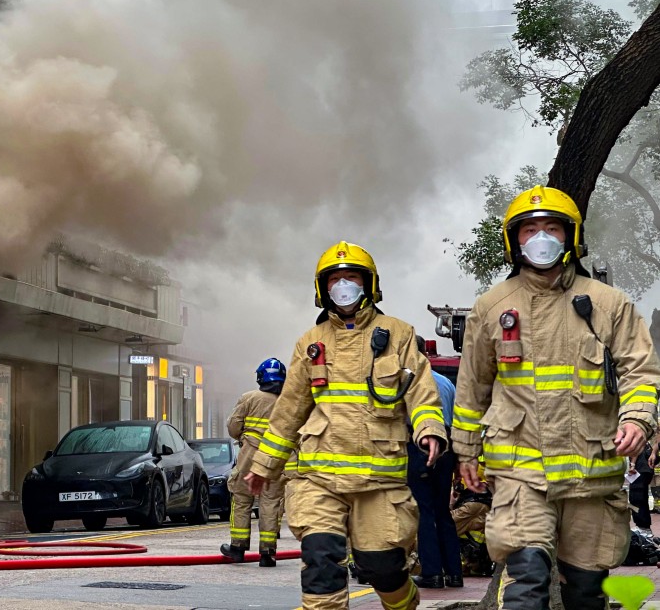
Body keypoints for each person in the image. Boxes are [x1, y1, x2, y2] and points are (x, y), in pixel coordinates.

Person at [452, 185, 660, 610]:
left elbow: (640, 370)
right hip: (519, 472)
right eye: (529, 229)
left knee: (585, 594)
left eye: (552, 228)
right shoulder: (491, 308)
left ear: (571, 236)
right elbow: (473, 389)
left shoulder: (609, 304)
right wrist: (466, 453)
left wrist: (637, 419)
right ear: (515, 241)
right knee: (526, 583)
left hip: (591, 472)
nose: (541, 238)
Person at [244, 241, 448, 610]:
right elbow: (289, 410)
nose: (343, 285)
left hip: (379, 482)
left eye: (351, 277)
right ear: (323, 289)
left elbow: (420, 390)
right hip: (319, 477)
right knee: (321, 562)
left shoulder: (398, 334)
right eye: (335, 278)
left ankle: (404, 602)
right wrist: (263, 466)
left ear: (369, 284)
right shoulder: (311, 343)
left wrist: (429, 427)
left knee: (381, 568)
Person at [408, 336, 463, 589]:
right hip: (448, 447)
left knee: (424, 511)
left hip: (420, 445)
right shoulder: (446, 383)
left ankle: (431, 573)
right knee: (443, 512)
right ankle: (454, 573)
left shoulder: (411, 383)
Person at [221, 358, 287, 567]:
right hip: (277, 456)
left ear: (260, 377)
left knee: (241, 499)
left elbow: (233, 426)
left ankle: (238, 548)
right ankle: (268, 553)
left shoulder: (249, 398)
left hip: (250, 453)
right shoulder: (288, 401)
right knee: (270, 502)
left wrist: (243, 437)